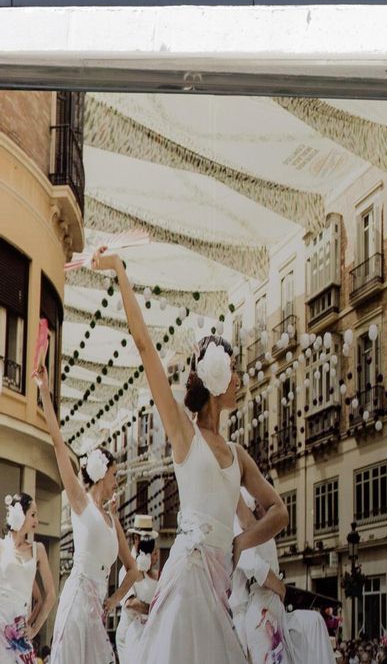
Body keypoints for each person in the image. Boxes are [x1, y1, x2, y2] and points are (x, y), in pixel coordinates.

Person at [91, 250, 286, 664]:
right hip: (188, 573)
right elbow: (145, 347)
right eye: (233, 369)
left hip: (218, 581)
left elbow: (279, 512)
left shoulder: (238, 455)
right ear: (217, 378)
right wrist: (121, 272)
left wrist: (240, 541)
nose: (239, 377)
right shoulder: (185, 433)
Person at [34, 360, 137, 664]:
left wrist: (115, 600)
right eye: (115, 474)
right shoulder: (81, 502)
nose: (117, 480)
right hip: (77, 602)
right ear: (102, 474)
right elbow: (57, 443)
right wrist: (44, 391)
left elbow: (133, 570)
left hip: (97, 614)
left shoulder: (112, 520)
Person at [232, 488, 288, 664]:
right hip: (251, 608)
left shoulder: (254, 530)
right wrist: (280, 587)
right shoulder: (240, 529)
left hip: (260, 605)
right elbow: (255, 567)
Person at [2, 493, 55, 664]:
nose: (37, 521)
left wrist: (33, 629)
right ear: (19, 515)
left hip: (19, 632)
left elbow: (51, 595)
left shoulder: (37, 550)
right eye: (33, 515)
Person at [111, 522, 160, 662]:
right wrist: (154, 608)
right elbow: (130, 603)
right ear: (135, 539)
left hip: (148, 633)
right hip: (130, 633)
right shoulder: (127, 569)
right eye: (144, 538)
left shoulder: (153, 571)